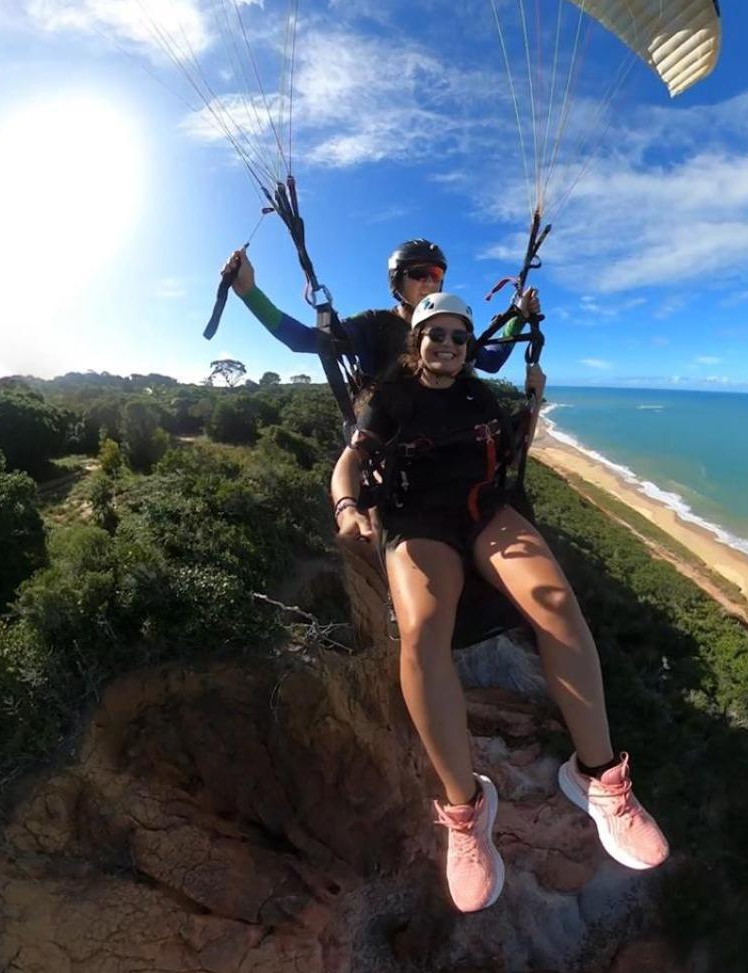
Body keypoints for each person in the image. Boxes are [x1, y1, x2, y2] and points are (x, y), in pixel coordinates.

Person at [331, 291, 669, 914]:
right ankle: (466, 809)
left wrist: (532, 400)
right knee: (423, 630)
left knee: (556, 601)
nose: (449, 347)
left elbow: (511, 455)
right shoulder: (390, 399)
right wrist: (349, 508)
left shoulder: (480, 396)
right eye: (437, 336)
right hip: (420, 521)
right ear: (418, 340)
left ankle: (597, 777)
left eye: (460, 338)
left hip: (485, 512)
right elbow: (349, 462)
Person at [224, 237, 539, 382]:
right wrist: (250, 293)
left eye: (436, 275)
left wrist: (518, 317)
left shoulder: (448, 331)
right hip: (391, 448)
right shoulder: (374, 325)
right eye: (419, 274)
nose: (429, 282)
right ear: (397, 282)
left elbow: (491, 361)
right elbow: (307, 341)